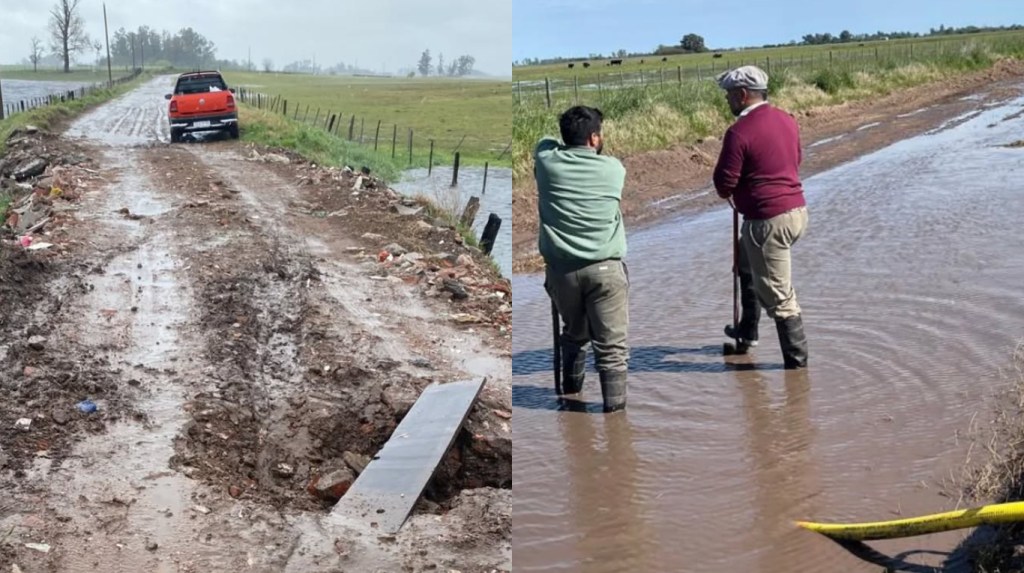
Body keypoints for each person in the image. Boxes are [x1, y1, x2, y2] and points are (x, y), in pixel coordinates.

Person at [712, 66, 809, 369]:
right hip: (796, 212)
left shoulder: (739, 131)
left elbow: (724, 183)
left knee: (780, 298)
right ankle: (747, 331)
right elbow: (796, 159)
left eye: (729, 94)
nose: (727, 99)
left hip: (767, 220)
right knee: (746, 264)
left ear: (742, 94)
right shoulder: (787, 119)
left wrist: (739, 186)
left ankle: (797, 369)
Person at [534, 105, 630, 412]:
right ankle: (615, 418)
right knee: (612, 348)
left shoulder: (547, 163)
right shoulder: (614, 169)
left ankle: (571, 398)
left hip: (563, 272)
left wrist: (565, 139)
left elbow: (545, 141)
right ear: (594, 138)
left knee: (574, 334)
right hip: (606, 270)